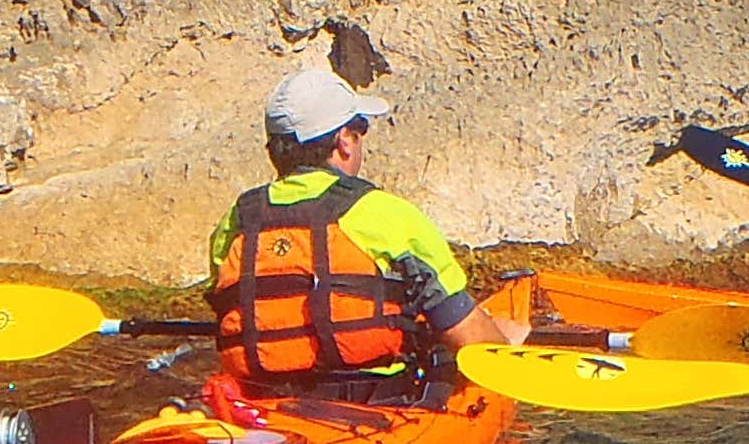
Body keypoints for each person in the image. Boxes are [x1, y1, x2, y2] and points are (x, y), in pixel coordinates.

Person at [200, 67, 525, 413]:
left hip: (262, 406)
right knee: (445, 357)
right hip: (377, 409)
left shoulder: (236, 221)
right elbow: (472, 340)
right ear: (343, 141)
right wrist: (505, 343)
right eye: (360, 131)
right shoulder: (383, 214)